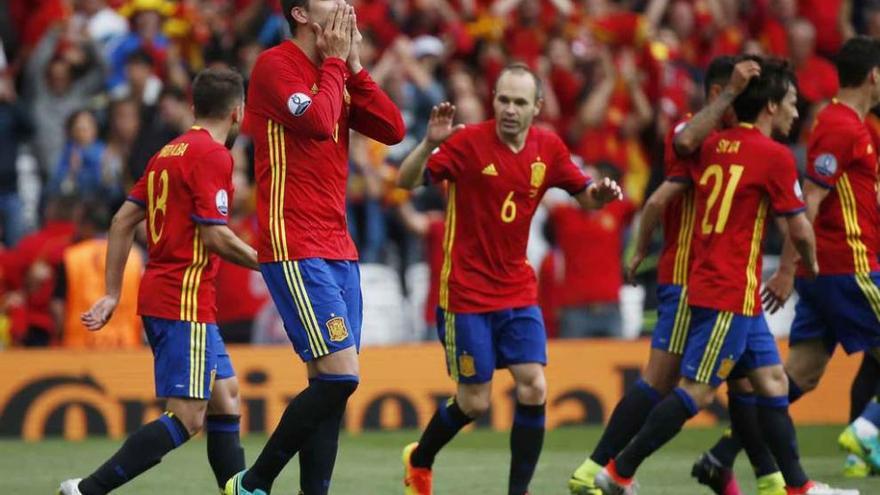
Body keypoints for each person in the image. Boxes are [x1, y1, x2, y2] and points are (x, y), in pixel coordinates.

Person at [594, 59, 855, 495]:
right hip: (726, 289)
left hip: (731, 287)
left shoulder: (711, 147)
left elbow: (677, 157)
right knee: (696, 391)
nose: (795, 112)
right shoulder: (775, 157)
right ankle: (618, 471)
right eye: (790, 103)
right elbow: (799, 226)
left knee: (772, 382)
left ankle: (798, 487)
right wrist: (811, 261)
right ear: (771, 106)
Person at [396, 64, 622, 495]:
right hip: (466, 291)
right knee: (474, 402)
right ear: (493, 100)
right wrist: (428, 143)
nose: (510, 110)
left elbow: (586, 197)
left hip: (517, 288)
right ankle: (420, 459)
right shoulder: (466, 144)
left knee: (534, 385)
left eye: (520, 102)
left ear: (537, 107)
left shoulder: (548, 149)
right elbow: (405, 182)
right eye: (503, 100)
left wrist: (602, 195)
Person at [568, 55, 781, 495]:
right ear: (722, 94)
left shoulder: (742, 140)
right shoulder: (690, 133)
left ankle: (767, 478)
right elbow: (659, 194)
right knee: (665, 381)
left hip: (731, 280)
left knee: (752, 381)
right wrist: (642, 247)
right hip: (690, 277)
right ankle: (597, 469)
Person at [224, 1, 404, 494]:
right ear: (302, 14)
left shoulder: (339, 70)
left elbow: (393, 129)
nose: (345, 4)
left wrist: (357, 69)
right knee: (341, 377)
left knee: (331, 386)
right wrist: (334, 65)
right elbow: (321, 122)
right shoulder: (274, 66)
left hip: (338, 247)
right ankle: (252, 483)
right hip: (293, 241)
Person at [57, 67, 259, 495]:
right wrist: (269, 263)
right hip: (183, 297)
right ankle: (87, 490)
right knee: (188, 416)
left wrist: (113, 292)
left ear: (193, 106)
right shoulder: (214, 155)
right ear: (239, 112)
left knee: (226, 397)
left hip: (175, 293)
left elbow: (122, 220)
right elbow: (215, 235)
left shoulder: (168, 152)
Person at [698, 35, 880, 482]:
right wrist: (788, 268)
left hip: (827, 273)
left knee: (799, 374)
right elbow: (811, 200)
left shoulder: (846, 124)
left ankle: (723, 454)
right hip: (848, 267)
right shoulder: (842, 126)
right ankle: (868, 428)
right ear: (874, 76)